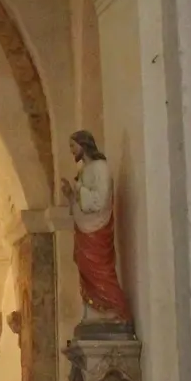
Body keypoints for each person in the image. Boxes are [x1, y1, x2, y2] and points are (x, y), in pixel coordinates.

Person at [60, 130, 131, 324]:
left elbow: (101, 199)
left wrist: (78, 189)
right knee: (85, 267)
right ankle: (97, 313)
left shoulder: (101, 168)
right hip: (84, 228)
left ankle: (117, 310)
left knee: (101, 271)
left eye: (73, 146)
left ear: (83, 145)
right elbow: (80, 202)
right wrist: (70, 194)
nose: (71, 151)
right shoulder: (84, 170)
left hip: (97, 229)